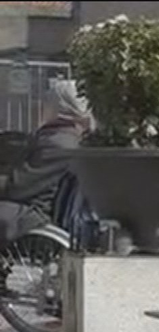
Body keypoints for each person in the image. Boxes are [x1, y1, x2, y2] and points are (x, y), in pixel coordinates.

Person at [0, 79, 92, 243]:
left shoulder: (57, 143)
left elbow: (18, 186)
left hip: (32, 213)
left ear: (57, 107)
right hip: (28, 208)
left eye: (47, 102)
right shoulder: (62, 137)